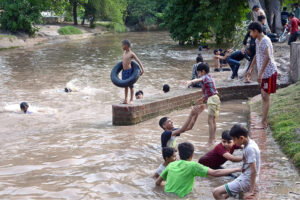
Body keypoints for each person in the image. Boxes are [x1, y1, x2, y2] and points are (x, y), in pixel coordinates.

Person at [156, 142, 241, 198]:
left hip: (166, 196)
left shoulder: (171, 164)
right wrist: (237, 169)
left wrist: (169, 185)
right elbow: (215, 173)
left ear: (179, 154)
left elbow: (157, 183)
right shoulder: (193, 165)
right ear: (192, 155)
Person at [213, 124, 261, 200]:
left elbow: (254, 171)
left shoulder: (250, 149)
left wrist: (251, 191)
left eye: (234, 140)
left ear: (241, 138)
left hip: (246, 180)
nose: (234, 143)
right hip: (245, 176)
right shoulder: (250, 143)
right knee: (225, 195)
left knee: (216, 192)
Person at [246, 22, 277, 129]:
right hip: (264, 73)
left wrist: (261, 73)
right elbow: (257, 55)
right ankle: (263, 121)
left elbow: (268, 57)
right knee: (264, 96)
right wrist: (250, 68)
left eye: (251, 32)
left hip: (269, 72)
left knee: (265, 96)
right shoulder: (257, 40)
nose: (250, 34)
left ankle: (263, 123)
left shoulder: (265, 41)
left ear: (256, 31)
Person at [184, 63, 220, 145]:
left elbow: (198, 80)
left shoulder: (205, 77)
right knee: (213, 120)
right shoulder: (209, 77)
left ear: (203, 71)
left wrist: (190, 81)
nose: (199, 75)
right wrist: (202, 98)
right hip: (215, 98)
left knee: (210, 121)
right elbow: (210, 91)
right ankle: (213, 138)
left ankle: (210, 141)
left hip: (212, 100)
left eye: (199, 73)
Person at [121, 39, 144, 104]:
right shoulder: (124, 53)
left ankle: (131, 99)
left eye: (122, 45)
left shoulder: (131, 54)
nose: (121, 46)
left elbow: (138, 61)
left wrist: (142, 69)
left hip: (129, 71)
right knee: (125, 85)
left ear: (126, 46)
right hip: (124, 71)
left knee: (131, 86)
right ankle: (126, 99)